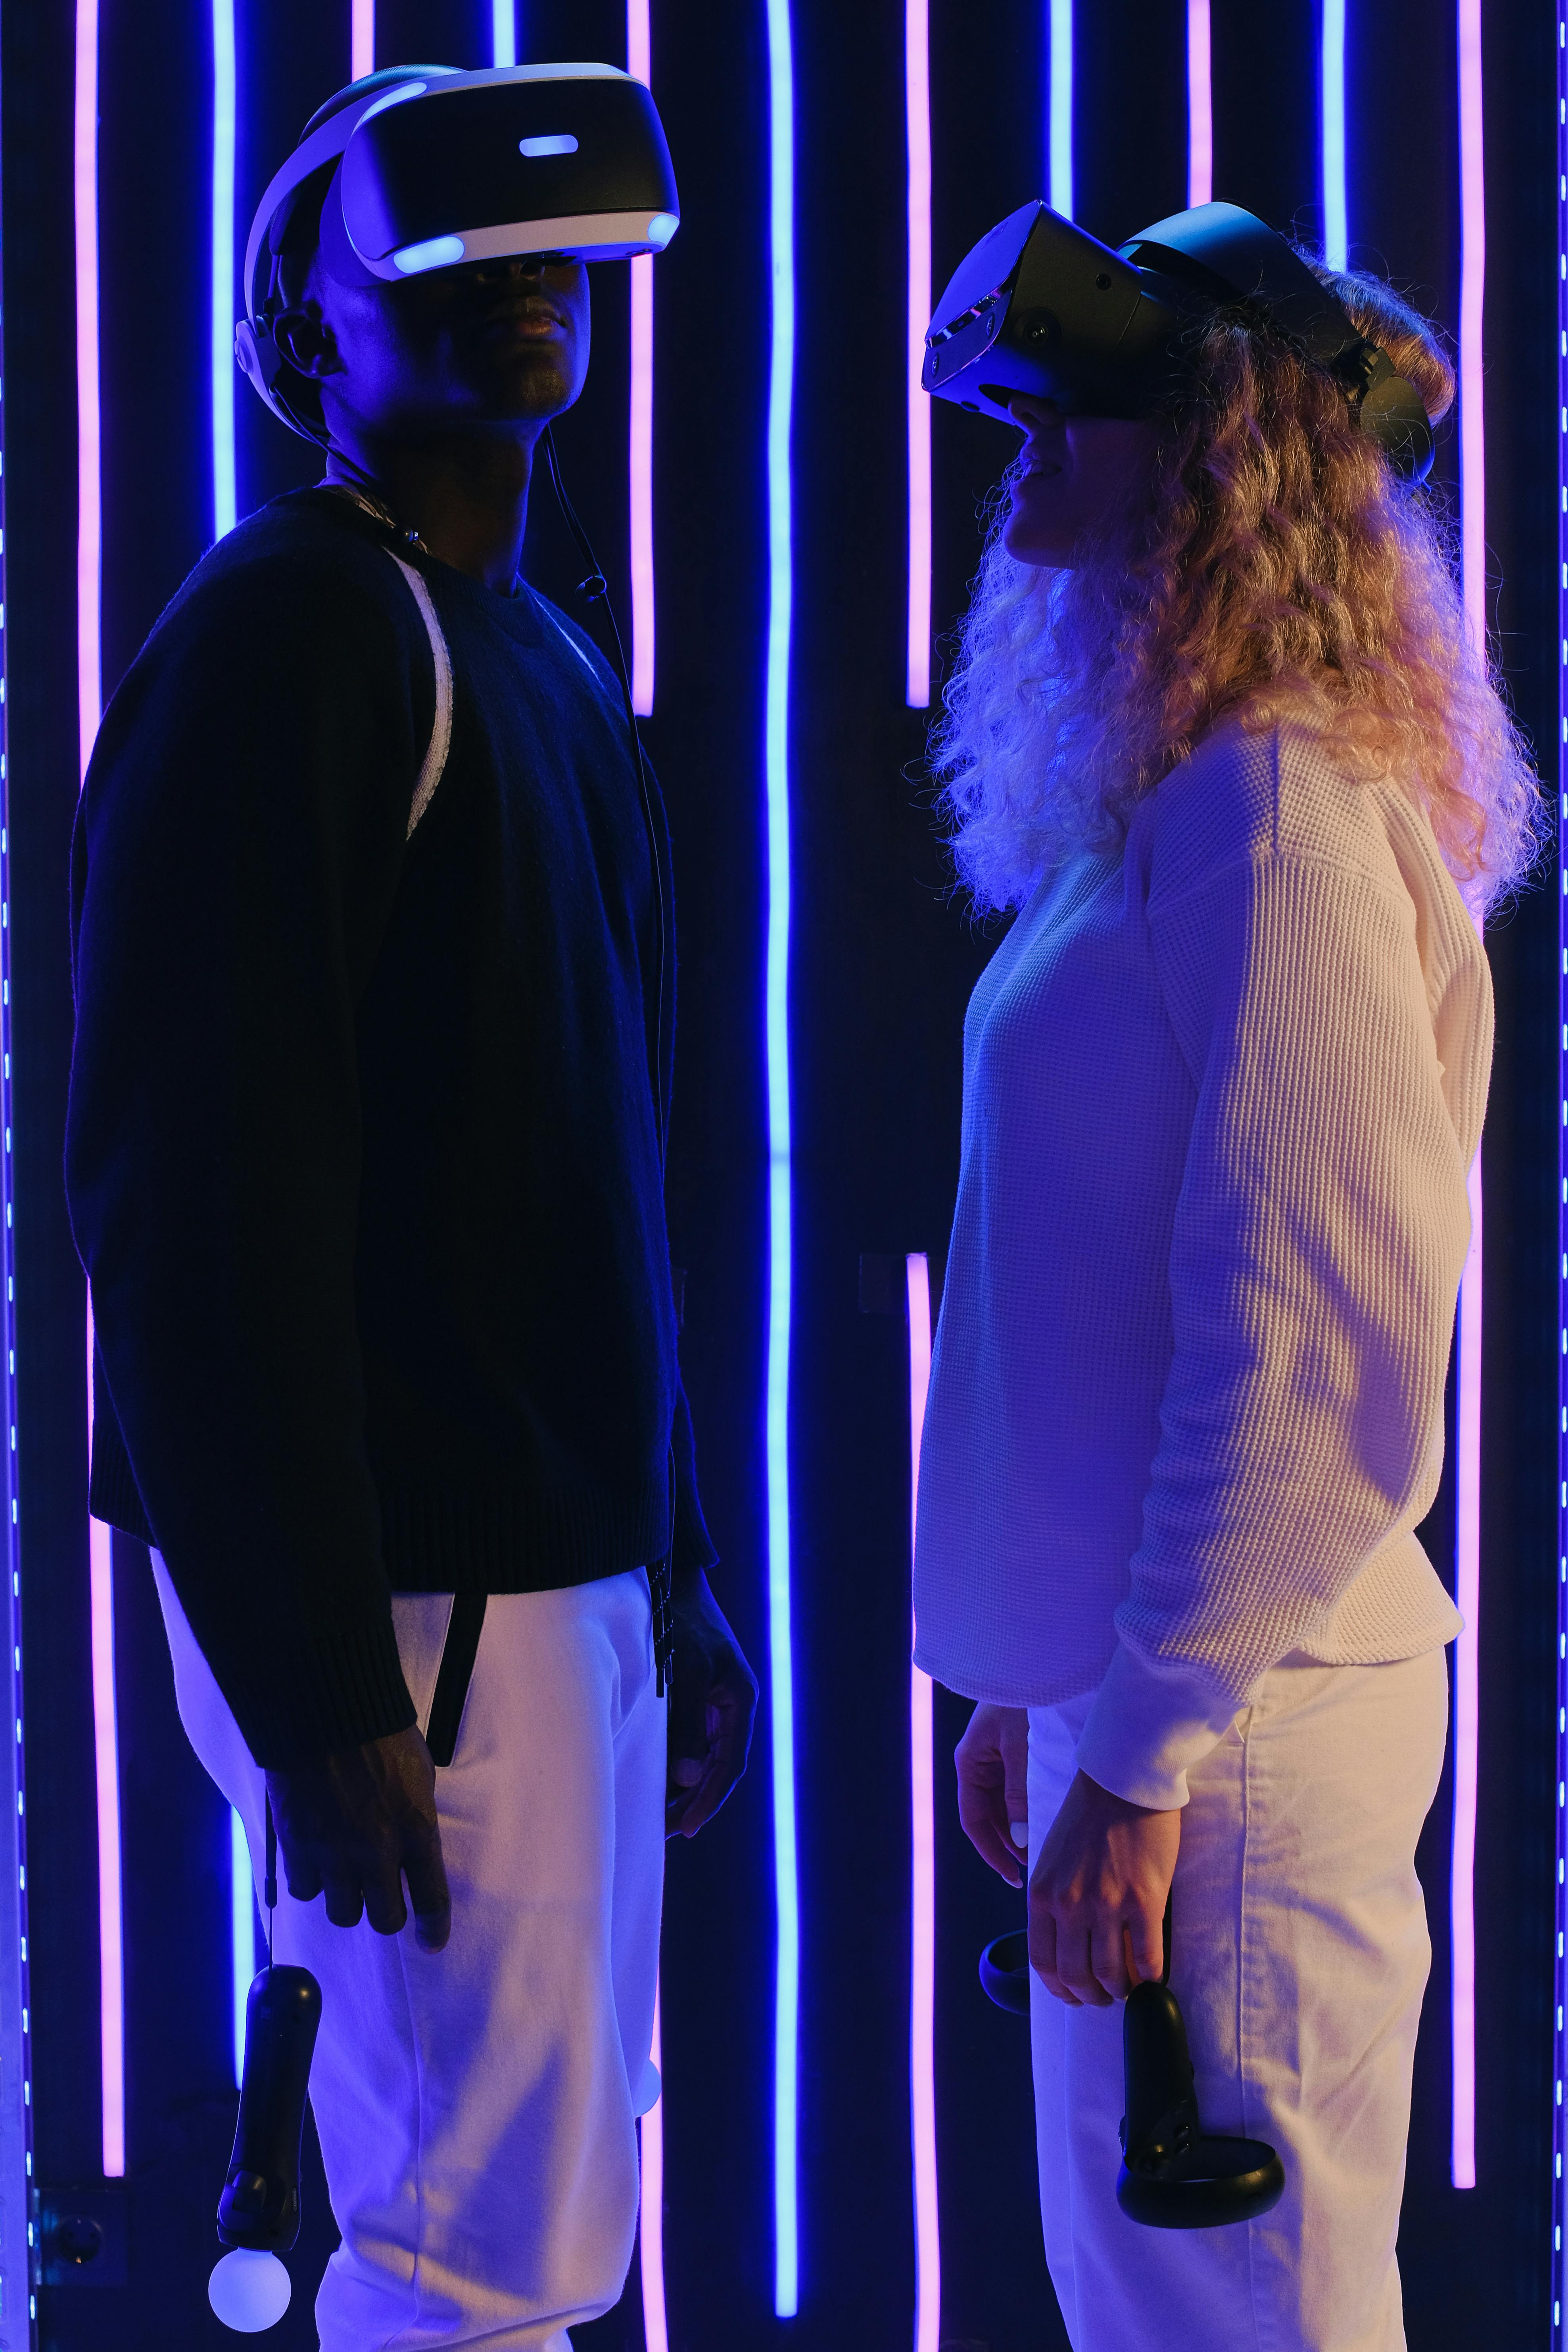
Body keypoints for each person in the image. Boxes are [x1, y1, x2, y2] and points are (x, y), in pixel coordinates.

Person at [65, 67, 755, 2352]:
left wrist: (670, 1568)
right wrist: (309, 1676)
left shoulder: (530, 653)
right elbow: (190, 1192)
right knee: (472, 2246)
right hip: (415, 1596)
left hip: (533, 1576)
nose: (521, 288)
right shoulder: (297, 633)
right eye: (452, 258)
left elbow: (586, 1173)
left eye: (550, 258)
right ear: (306, 325)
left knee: (521, 2219)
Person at [913, 242, 1540, 2347]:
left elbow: (1319, 1349)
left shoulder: (1271, 816)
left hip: (1243, 1723)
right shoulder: (1197, 803)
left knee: (1236, 2321)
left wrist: (1151, 1744)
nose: (1016, 466)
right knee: (1171, 2314)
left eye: (1064, 418)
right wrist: (1049, 1683)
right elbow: (1118, 1284)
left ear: (1214, 461)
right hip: (1182, 1703)